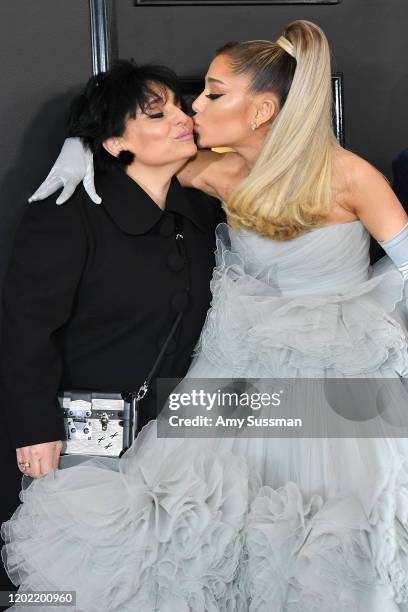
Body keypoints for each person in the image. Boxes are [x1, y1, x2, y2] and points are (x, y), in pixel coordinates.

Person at [3, 19, 408, 611]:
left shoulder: (349, 175)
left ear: (263, 111)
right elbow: (135, 156)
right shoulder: (213, 172)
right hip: (235, 370)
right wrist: (81, 143)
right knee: (198, 524)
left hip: (332, 375)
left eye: (214, 93)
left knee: (328, 533)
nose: (195, 105)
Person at [0, 60, 224, 596]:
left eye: (178, 104)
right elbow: (27, 327)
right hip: (83, 436)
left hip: (176, 445)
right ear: (116, 142)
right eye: (156, 111)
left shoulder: (201, 213)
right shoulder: (68, 212)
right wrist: (34, 428)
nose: (181, 116)